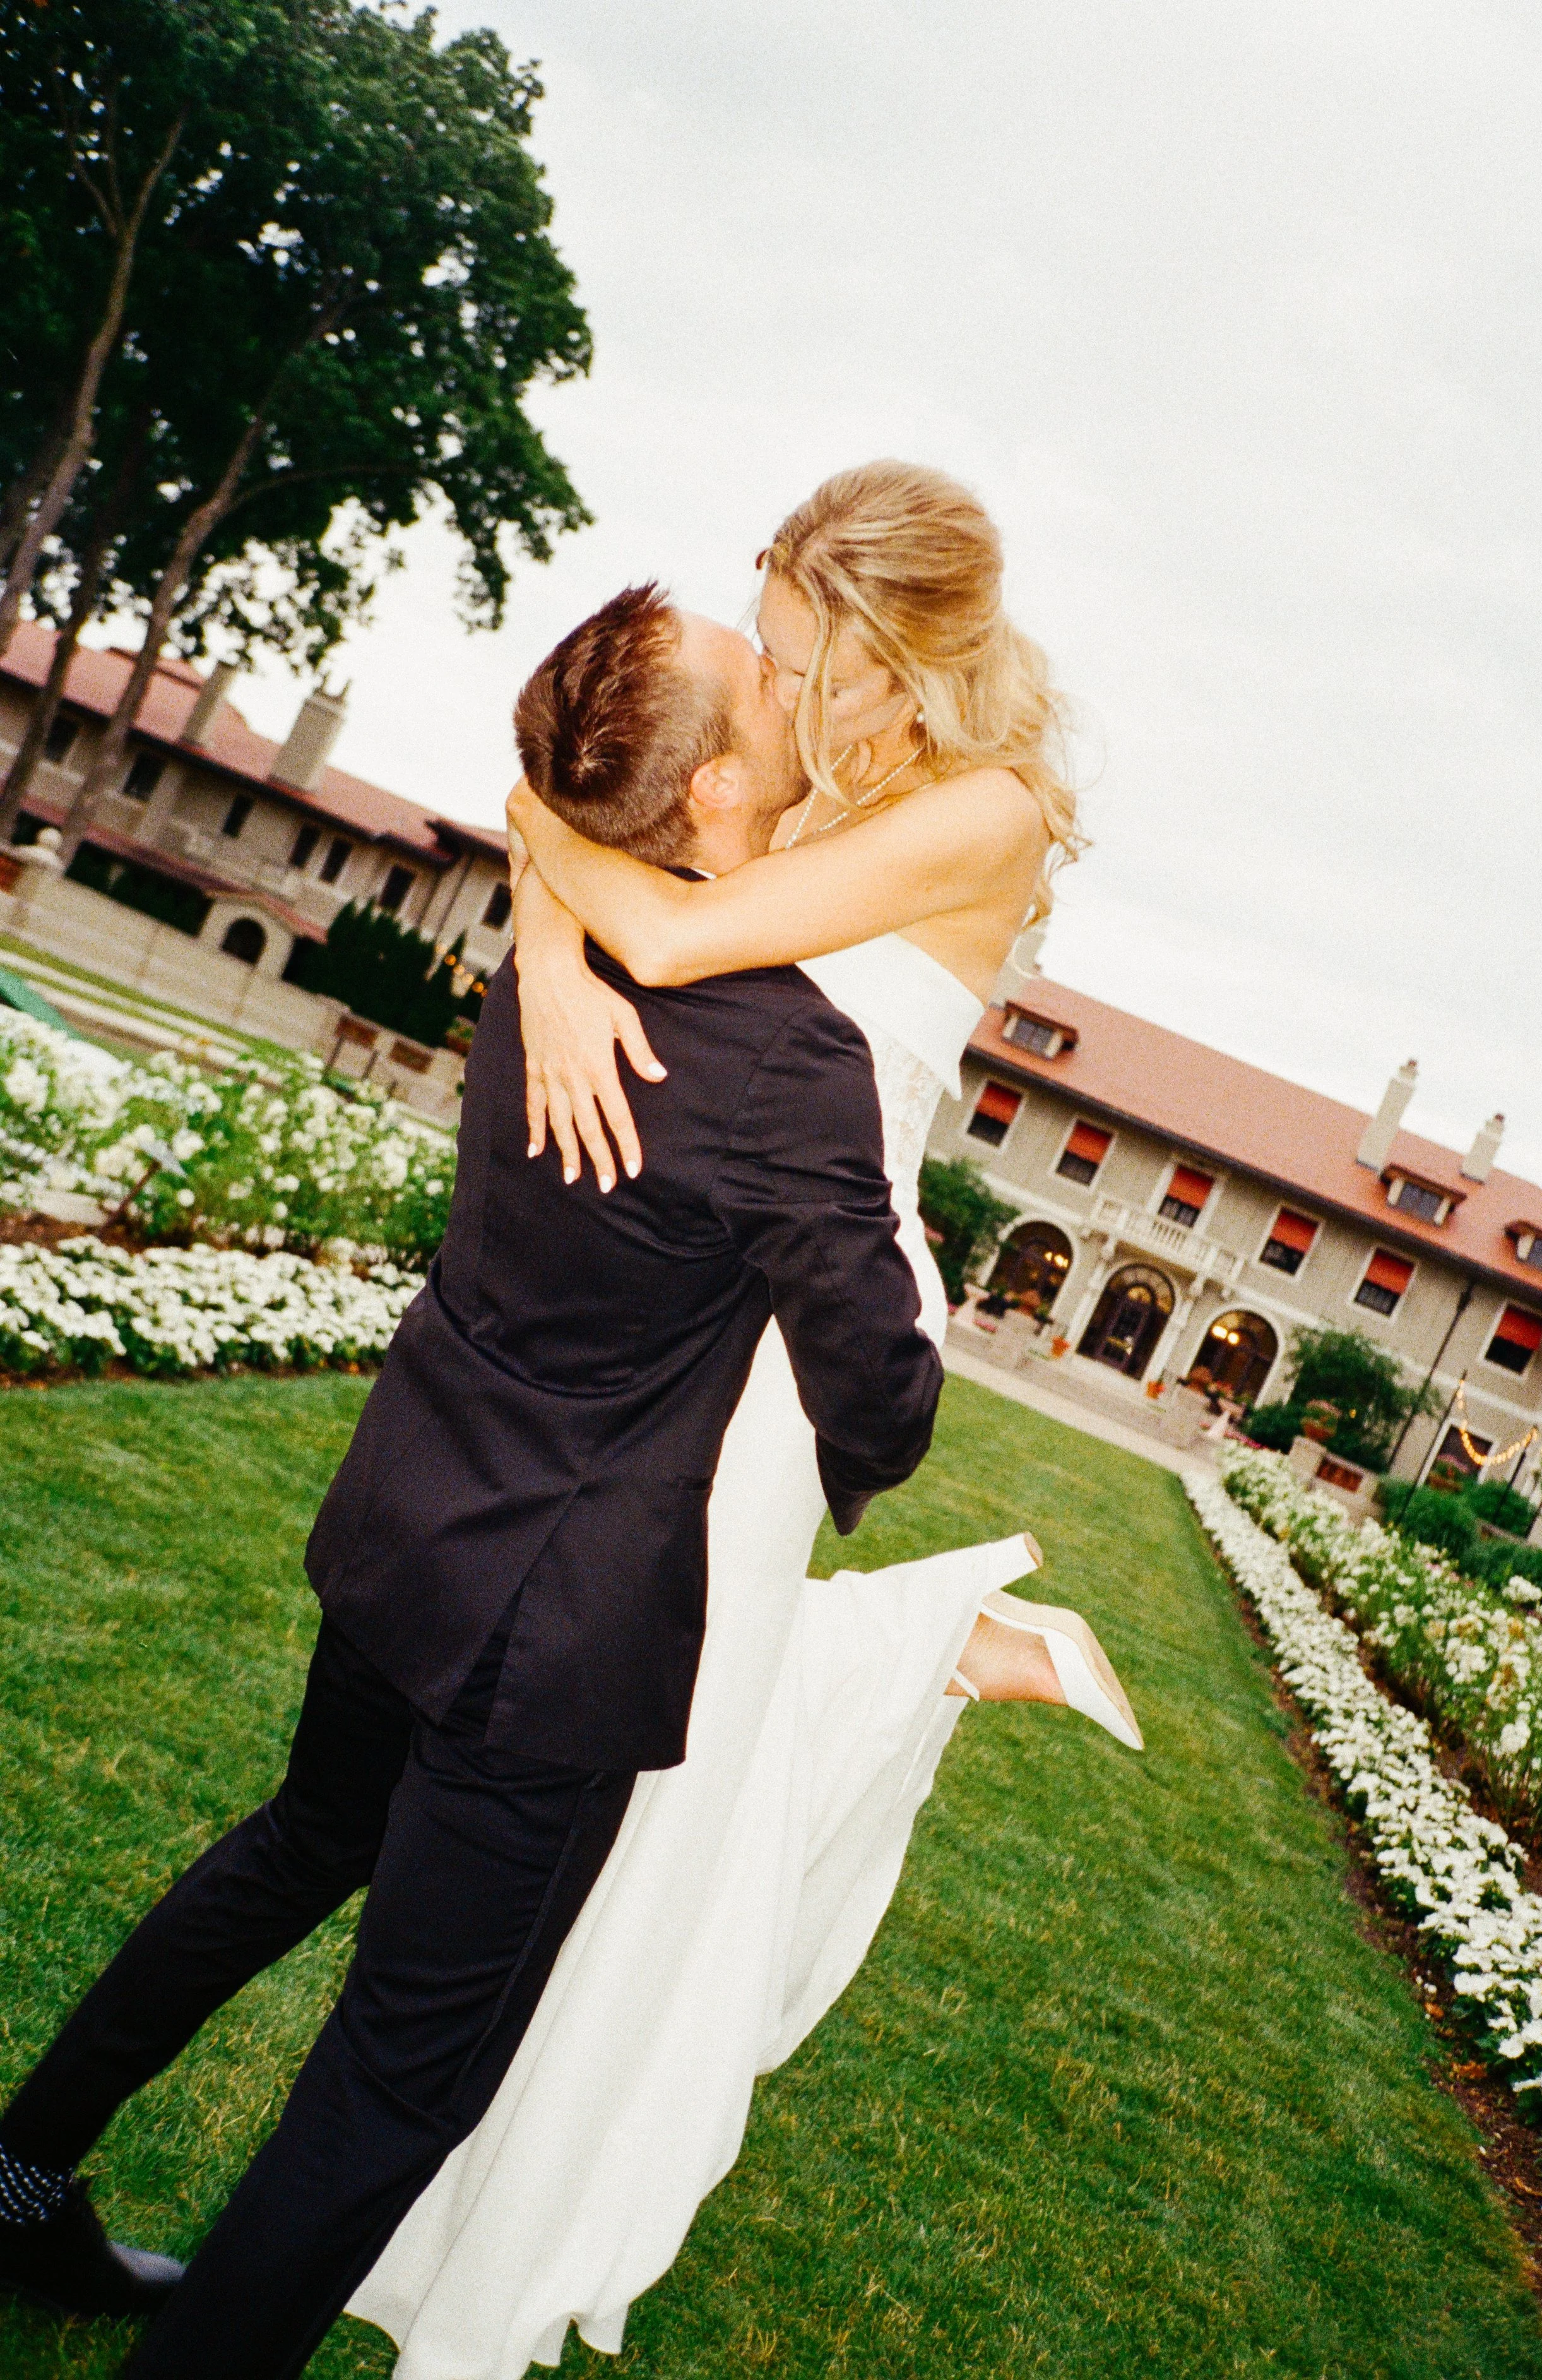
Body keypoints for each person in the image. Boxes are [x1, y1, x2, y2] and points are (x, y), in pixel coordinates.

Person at [0, 585, 956, 2380]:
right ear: (723, 803)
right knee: (397, 2074)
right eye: (767, 685)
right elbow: (879, 1419)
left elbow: (555, 814)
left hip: (405, 1517)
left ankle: (11, 2168)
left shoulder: (561, 948)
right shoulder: (788, 1058)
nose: (796, 685)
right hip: (551, 1633)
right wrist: (878, 1247)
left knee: (296, 1847)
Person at [352, 463, 1141, 2377]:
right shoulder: (843, 767)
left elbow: (682, 941)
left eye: (798, 663)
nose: (769, 700)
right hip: (721, 1290)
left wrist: (551, 886)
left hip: (806, 1327)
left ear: (890, 658)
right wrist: (550, 931)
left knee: (665, 1758)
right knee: (632, 1742)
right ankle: (940, 1650)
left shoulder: (983, 809)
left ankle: (526, 2205)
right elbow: (640, 866)